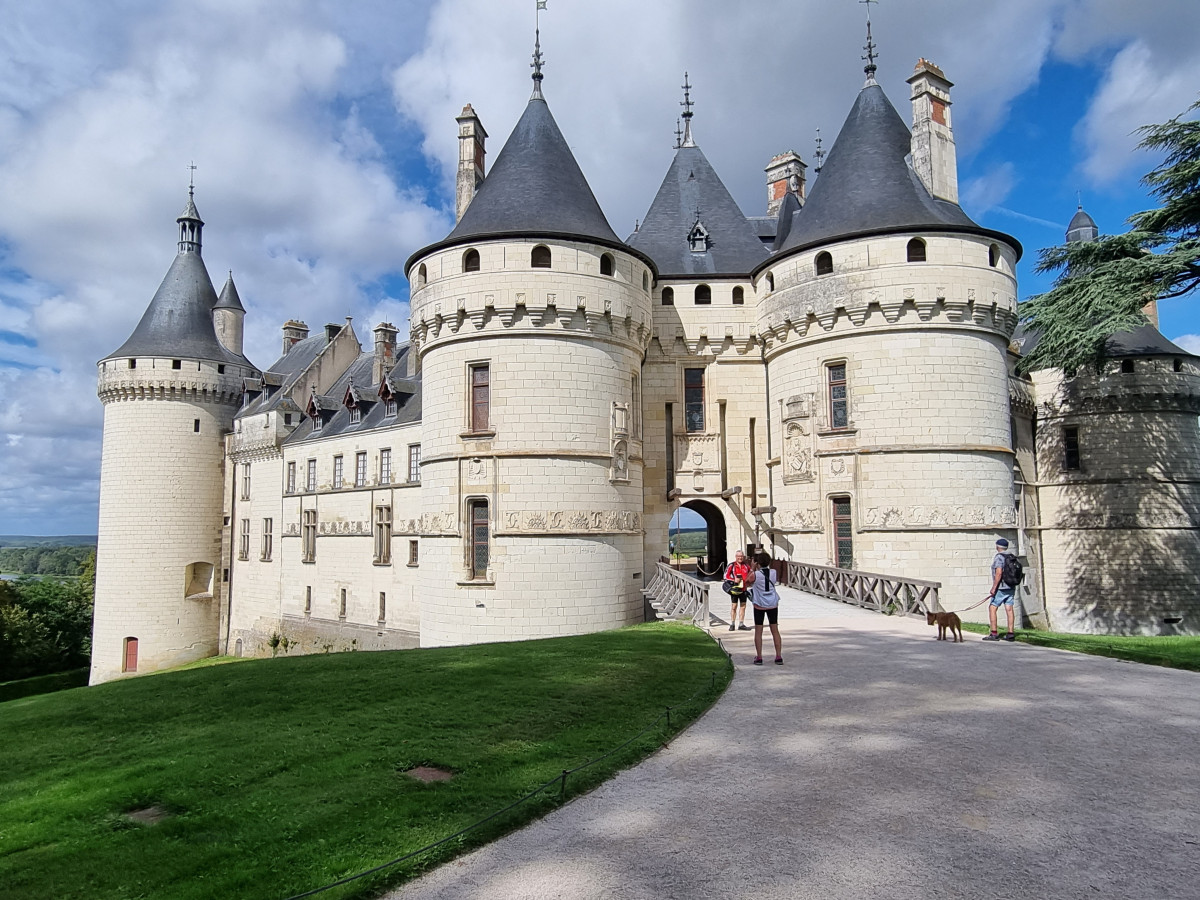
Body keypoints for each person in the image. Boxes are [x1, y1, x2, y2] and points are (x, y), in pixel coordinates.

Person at [746, 551, 783, 665]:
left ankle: (759, 657)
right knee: (774, 630)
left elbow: (747, 582)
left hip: (759, 604)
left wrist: (752, 568)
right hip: (772, 603)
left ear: (757, 562)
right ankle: (778, 656)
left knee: (758, 631)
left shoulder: (755, 574)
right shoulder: (773, 572)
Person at [983, 538, 1017, 642]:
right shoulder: (1012, 556)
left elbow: (999, 573)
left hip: (1001, 588)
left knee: (992, 608)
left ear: (997, 546)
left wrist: (994, 588)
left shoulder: (999, 557)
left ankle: (994, 633)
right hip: (1011, 586)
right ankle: (1010, 633)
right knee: (1009, 609)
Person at [723, 551, 751, 632]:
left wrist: (749, 581)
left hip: (744, 589)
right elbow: (725, 576)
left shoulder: (746, 566)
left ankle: (741, 624)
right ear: (736, 557)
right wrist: (734, 579)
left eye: (741, 556)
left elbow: (750, 573)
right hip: (735, 589)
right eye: (738, 556)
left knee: (743, 606)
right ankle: (732, 623)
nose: (740, 558)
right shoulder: (731, 566)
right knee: (734, 606)